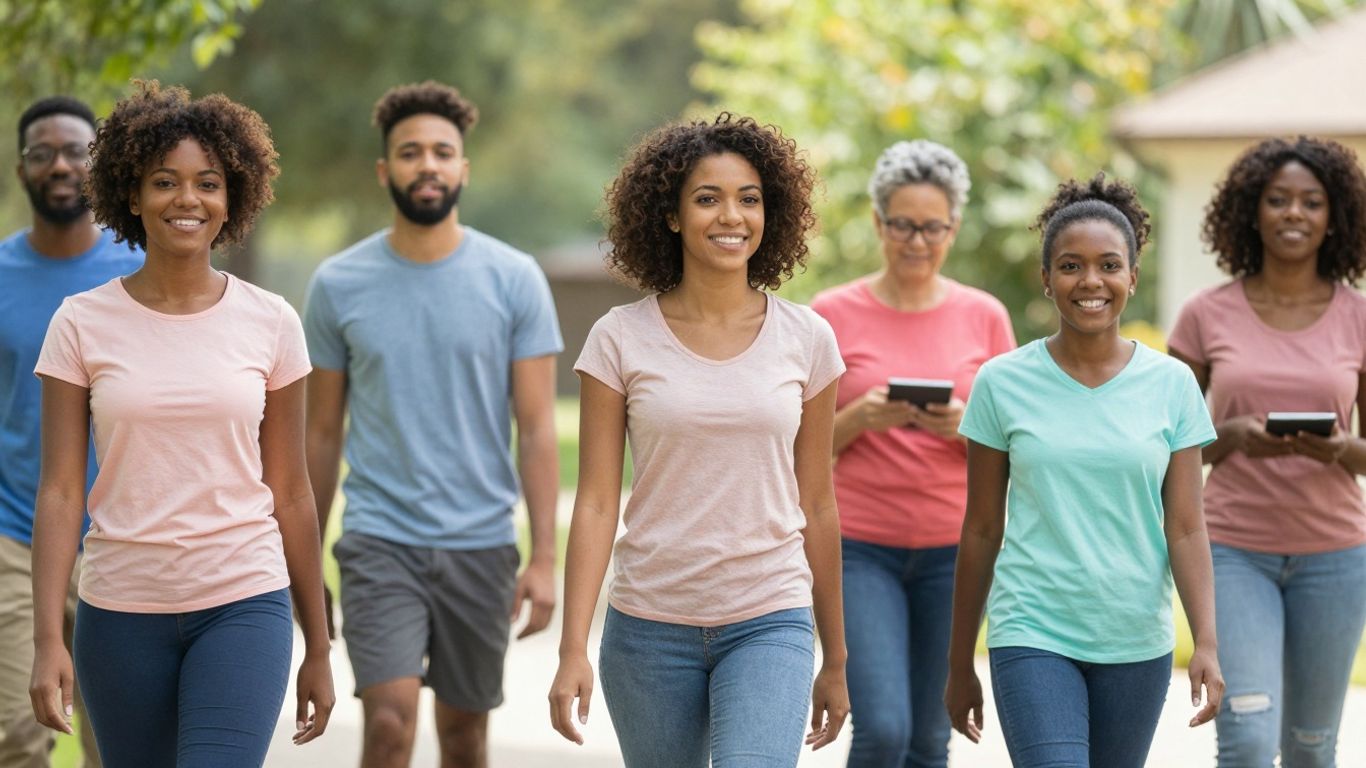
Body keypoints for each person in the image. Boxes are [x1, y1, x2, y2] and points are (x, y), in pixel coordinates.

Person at [27, 80, 333, 767]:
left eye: (208, 183)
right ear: (131, 196)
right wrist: (50, 638)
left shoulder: (272, 322)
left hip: (243, 600)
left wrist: (317, 642)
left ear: (233, 199)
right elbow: (60, 491)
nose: (187, 199)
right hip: (118, 612)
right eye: (164, 182)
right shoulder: (80, 322)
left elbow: (291, 491)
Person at [548, 113, 850, 766]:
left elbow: (818, 502)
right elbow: (597, 502)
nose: (731, 216)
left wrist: (837, 657)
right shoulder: (619, 337)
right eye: (707, 198)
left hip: (770, 616)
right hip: (649, 629)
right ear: (672, 215)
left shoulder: (808, 339)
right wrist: (573, 646)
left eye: (749, 199)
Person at [303, 81, 562, 768]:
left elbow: (536, 429)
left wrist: (543, 558)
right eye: (410, 153)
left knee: (464, 737)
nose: (429, 165)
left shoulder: (515, 278)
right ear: (385, 171)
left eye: (443, 152)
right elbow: (321, 434)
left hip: (481, 544)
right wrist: (302, 558)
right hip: (378, 540)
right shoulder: (337, 283)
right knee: (388, 724)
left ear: (464, 170)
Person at [944, 174, 1224, 768]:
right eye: (1070, 265)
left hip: (1134, 637)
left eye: (1109, 265)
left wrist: (1207, 643)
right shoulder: (1001, 382)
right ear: (1046, 279)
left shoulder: (1172, 385)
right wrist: (958, 661)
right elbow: (981, 529)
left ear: (1133, 277)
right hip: (1031, 628)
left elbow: (1186, 528)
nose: (1090, 281)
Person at [810, 140, 1014, 768]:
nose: (917, 240)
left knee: (930, 737)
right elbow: (797, 446)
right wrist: (859, 417)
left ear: (953, 228)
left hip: (952, 555)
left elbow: (1014, 446)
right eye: (902, 224)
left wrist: (965, 428)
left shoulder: (985, 317)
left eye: (932, 227)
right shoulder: (830, 316)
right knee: (885, 730)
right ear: (878, 223)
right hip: (859, 549)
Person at [1167, 136, 1366, 767]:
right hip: (1231, 551)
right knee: (1248, 739)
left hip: (1336, 555)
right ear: (1252, 210)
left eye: (1312, 202)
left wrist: (1338, 450)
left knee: (1311, 748)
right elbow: (1165, 441)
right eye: (1278, 200)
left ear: (1334, 217)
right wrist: (1231, 438)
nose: (1294, 214)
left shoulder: (1358, 317)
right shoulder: (1205, 315)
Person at [1, 96, 142, 768]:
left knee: (115, 741)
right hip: (13, 537)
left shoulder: (141, 273)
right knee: (15, 735)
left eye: (75, 152)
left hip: (122, 536)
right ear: (22, 168)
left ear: (99, 166)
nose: (59, 165)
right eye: (41, 153)